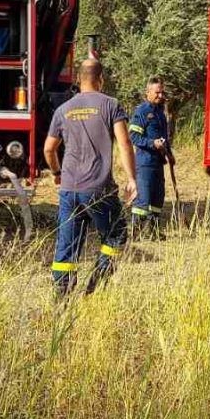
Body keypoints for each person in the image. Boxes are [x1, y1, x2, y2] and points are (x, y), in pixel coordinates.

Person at [44, 57, 136, 296]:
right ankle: (95, 287)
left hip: (68, 188)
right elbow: (124, 144)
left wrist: (56, 173)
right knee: (116, 233)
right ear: (101, 79)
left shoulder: (62, 110)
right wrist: (132, 179)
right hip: (98, 188)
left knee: (67, 245)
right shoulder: (110, 104)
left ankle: (61, 297)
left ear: (78, 79)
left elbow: (48, 149)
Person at [128, 76, 172, 236]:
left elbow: (165, 138)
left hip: (158, 163)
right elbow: (133, 136)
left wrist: (170, 154)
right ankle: (134, 232)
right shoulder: (141, 111)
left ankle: (152, 231)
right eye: (157, 92)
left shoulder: (161, 113)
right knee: (143, 200)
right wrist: (152, 143)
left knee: (157, 198)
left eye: (162, 92)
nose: (160, 95)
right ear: (148, 92)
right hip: (144, 163)